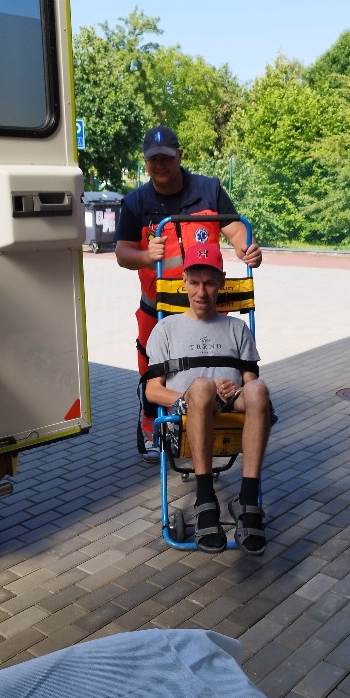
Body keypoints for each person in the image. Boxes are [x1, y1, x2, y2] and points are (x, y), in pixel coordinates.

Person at [115, 125, 262, 462]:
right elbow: (122, 253)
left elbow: (235, 229)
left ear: (180, 155)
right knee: (153, 372)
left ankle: (214, 419)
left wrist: (247, 248)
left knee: (211, 366)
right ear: (145, 161)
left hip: (208, 306)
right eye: (153, 160)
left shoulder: (208, 190)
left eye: (166, 158)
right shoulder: (136, 202)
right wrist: (145, 256)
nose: (160, 165)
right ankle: (151, 428)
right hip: (157, 308)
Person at [144, 243, 270, 555]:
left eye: (210, 283)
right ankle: (205, 499)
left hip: (231, 410)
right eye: (195, 283)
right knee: (201, 387)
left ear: (221, 282)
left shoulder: (237, 328)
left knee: (259, 390)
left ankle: (248, 499)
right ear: (184, 282)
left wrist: (235, 390)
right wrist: (198, 394)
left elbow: (250, 383)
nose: (202, 292)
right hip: (186, 416)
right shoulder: (165, 329)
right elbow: (152, 391)